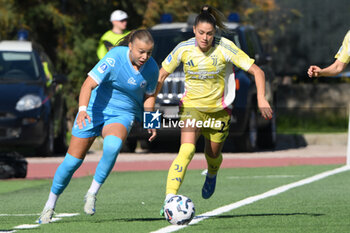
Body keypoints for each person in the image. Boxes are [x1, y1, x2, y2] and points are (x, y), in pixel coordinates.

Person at [157, 5, 273, 216]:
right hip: (191, 108)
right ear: (194, 30)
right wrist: (149, 99)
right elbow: (161, 74)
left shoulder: (225, 47)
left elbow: (257, 71)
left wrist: (262, 98)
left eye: (209, 33)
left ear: (215, 33)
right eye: (201, 33)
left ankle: (212, 173)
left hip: (219, 111)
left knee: (212, 153)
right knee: (187, 150)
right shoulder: (183, 48)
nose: (205, 38)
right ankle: (168, 199)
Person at [38, 29, 159, 224]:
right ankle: (49, 206)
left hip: (122, 113)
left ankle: (92, 193)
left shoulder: (152, 68)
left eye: (149, 53)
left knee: (112, 147)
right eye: (141, 52)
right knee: (71, 163)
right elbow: (88, 84)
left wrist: (151, 121)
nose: (145, 57)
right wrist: (83, 110)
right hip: (94, 110)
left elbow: (150, 96)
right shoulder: (113, 58)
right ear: (130, 47)